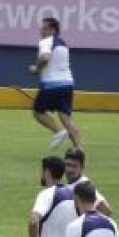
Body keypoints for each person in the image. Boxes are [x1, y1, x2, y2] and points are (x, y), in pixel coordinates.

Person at [29, 18, 83, 150]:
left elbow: (45, 58)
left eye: (45, 28)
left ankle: (58, 131)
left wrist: (36, 69)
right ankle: (79, 149)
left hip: (51, 85)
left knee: (37, 112)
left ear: (53, 30)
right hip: (67, 83)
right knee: (66, 117)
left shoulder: (46, 41)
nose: (41, 30)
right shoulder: (63, 44)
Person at [64, 148, 112, 216]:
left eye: (74, 166)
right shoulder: (72, 184)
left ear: (82, 168)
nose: (70, 170)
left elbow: (106, 210)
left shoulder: (83, 185)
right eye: (68, 165)